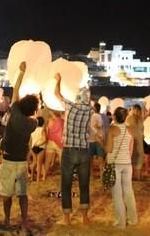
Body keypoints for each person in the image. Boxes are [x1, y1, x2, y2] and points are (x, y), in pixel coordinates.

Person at [0, 62, 39, 231]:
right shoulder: (33, 123)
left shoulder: (14, 112)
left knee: (6, 195)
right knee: (22, 194)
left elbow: (15, 90)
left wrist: (21, 71)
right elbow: (35, 115)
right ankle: (24, 221)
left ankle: (7, 219)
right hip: (22, 162)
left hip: (8, 159)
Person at [52, 73, 93, 225]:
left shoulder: (71, 106)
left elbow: (57, 94)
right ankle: (84, 217)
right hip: (84, 149)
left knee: (66, 183)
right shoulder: (90, 111)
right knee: (84, 184)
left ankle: (67, 218)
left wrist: (59, 80)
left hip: (69, 149)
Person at [105, 106, 138, 228]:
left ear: (114, 116)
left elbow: (108, 149)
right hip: (127, 164)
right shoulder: (130, 130)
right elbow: (131, 149)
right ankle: (133, 219)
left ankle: (121, 222)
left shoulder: (112, 129)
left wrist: (99, 141)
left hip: (115, 163)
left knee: (117, 193)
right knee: (129, 191)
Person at [88, 102, 105, 179]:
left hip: (93, 140)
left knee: (91, 159)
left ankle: (93, 175)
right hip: (97, 139)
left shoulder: (96, 116)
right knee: (100, 158)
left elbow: (100, 125)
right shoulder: (97, 116)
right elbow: (101, 126)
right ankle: (100, 174)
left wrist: (96, 126)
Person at [29, 116, 47, 182]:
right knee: (39, 164)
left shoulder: (32, 130)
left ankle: (31, 177)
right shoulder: (43, 129)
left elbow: (31, 140)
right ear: (43, 123)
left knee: (34, 163)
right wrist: (39, 144)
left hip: (33, 147)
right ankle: (37, 179)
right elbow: (45, 139)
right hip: (40, 147)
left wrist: (32, 146)